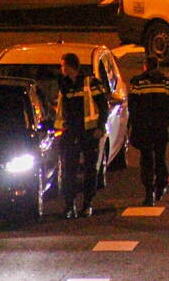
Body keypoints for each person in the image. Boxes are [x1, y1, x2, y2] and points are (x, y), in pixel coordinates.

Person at [55, 52, 109, 219]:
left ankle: (87, 204)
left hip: (90, 133)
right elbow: (62, 109)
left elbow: (103, 107)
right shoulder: (64, 84)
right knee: (68, 171)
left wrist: (100, 127)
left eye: (63, 65)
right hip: (71, 133)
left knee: (90, 170)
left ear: (71, 66)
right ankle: (70, 205)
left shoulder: (91, 83)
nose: (61, 69)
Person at [128, 56, 169, 206]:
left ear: (145, 66)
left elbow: (132, 106)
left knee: (146, 160)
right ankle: (161, 187)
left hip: (144, 127)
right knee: (160, 157)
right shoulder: (167, 83)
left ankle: (149, 193)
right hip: (161, 127)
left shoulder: (137, 83)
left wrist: (132, 126)